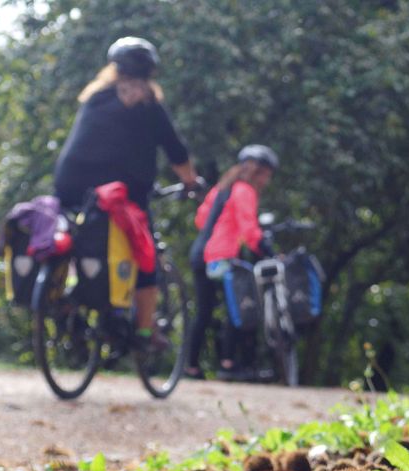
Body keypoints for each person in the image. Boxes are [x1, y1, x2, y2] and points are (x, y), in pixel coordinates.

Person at [53, 36, 199, 349]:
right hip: (118, 194)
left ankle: (71, 297)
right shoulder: (148, 105)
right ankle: (145, 333)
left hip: (69, 187)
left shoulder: (95, 97)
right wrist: (190, 181)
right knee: (145, 253)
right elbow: (175, 151)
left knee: (82, 240)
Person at [185, 145, 278, 379]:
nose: (268, 180)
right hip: (222, 257)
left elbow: (201, 219)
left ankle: (191, 366)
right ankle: (228, 364)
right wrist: (267, 250)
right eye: (267, 174)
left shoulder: (221, 188)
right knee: (237, 306)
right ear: (258, 171)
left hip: (200, 254)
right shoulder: (244, 190)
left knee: (204, 311)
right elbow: (249, 228)